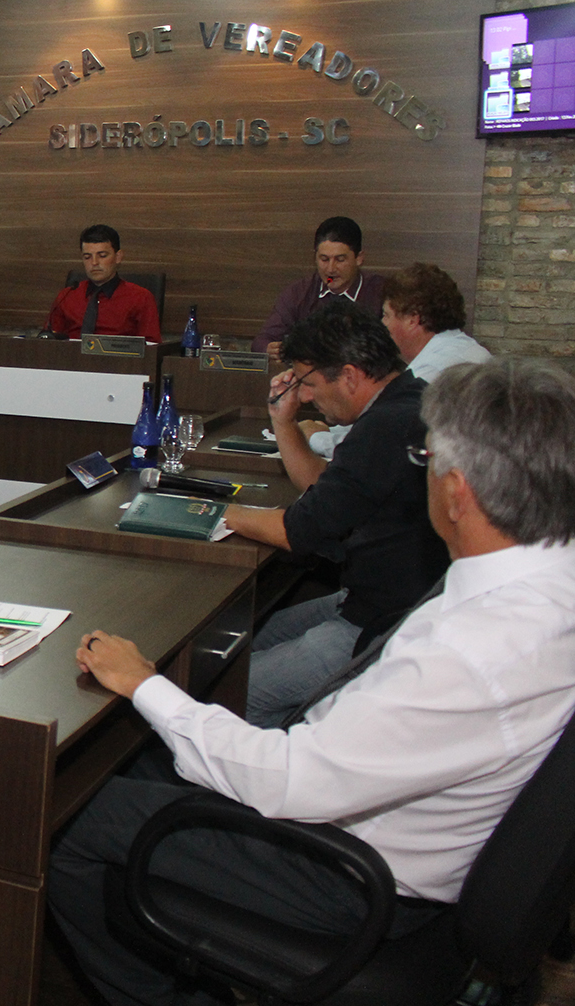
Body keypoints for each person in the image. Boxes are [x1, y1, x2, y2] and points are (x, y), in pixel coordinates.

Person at [49, 359, 575, 1006]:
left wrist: (144, 684)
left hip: (342, 872)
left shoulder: (474, 651)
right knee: (135, 760)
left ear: (457, 491)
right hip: (379, 826)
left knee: (63, 816)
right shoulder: (545, 589)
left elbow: (286, 780)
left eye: (426, 458)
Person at [222, 300, 448, 727]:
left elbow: (299, 531)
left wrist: (213, 511)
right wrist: (284, 422)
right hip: (374, 600)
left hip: (380, 625)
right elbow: (323, 489)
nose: (304, 396)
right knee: (251, 639)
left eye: (308, 383)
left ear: (349, 375)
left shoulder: (385, 427)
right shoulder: (410, 399)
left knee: (229, 693)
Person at [308, 262, 492, 458]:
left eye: (387, 315)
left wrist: (314, 437)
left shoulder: (435, 369)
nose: (382, 324)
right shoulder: (455, 350)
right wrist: (330, 431)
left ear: (413, 319)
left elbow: (379, 440)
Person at [253, 216, 385, 360]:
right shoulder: (298, 293)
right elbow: (261, 342)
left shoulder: (381, 292)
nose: (331, 269)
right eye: (324, 259)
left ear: (359, 258)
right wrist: (269, 348)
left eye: (340, 260)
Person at [44, 224, 161, 341]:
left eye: (102, 256)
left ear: (118, 257)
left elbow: (151, 346)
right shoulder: (67, 295)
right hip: (71, 352)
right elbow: (48, 341)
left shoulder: (140, 298)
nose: (94, 262)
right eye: (87, 257)